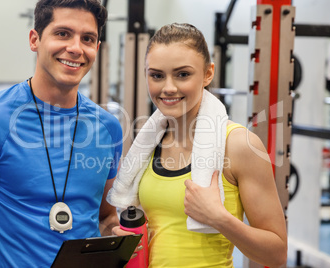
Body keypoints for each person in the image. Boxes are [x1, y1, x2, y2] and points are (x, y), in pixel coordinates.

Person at [0, 0, 123, 267]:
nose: (75, 48)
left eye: (87, 38)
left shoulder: (108, 128)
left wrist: (116, 235)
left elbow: (105, 216)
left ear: (96, 48)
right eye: (63, 33)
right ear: (34, 39)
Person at [108, 23, 287, 267]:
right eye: (157, 75)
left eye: (183, 74)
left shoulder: (238, 144)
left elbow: (277, 254)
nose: (168, 88)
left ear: (208, 73)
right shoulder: (148, 145)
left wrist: (219, 218)